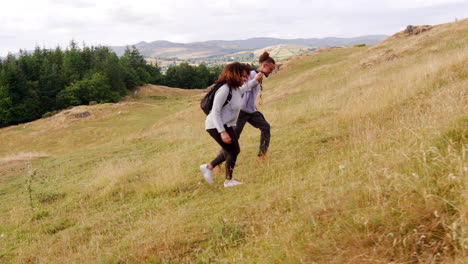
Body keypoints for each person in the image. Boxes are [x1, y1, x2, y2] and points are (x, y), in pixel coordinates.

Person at [200, 62, 264, 187]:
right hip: (215, 125)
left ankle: (209, 167)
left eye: (246, 76)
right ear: (234, 75)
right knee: (233, 151)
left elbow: (243, 89)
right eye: (243, 76)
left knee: (232, 150)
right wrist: (222, 132)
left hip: (225, 125)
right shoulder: (224, 89)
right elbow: (215, 112)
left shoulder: (234, 88)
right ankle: (228, 180)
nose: (245, 79)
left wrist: (255, 81)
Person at [235, 52, 276, 158]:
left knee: (265, 127)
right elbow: (241, 89)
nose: (270, 72)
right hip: (241, 111)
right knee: (233, 138)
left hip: (251, 111)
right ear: (264, 65)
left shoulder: (259, 76)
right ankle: (217, 163)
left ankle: (262, 154)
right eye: (270, 69)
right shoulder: (251, 74)